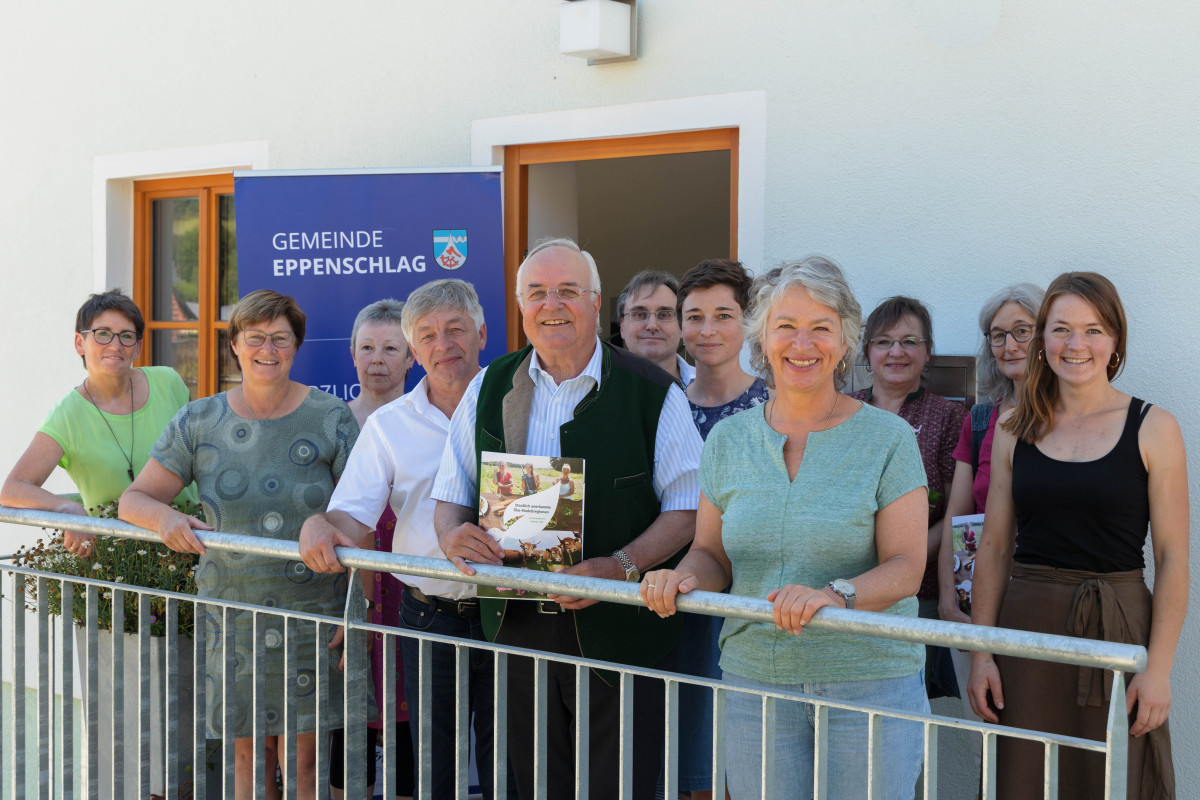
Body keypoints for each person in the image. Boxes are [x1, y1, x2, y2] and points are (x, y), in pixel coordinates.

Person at [641, 256, 930, 800]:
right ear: (762, 337)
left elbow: (906, 567)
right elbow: (711, 553)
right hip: (756, 684)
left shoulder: (889, 439)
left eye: (821, 327)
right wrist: (680, 578)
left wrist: (833, 596)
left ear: (845, 342)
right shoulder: (727, 440)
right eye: (786, 327)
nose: (804, 343)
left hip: (869, 686)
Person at [432, 237, 703, 799]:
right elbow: (449, 497)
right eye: (536, 292)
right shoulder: (489, 385)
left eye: (567, 291)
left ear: (596, 302)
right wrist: (453, 536)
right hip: (515, 628)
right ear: (520, 305)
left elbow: (688, 509)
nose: (551, 303)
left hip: (622, 634)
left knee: (617, 784)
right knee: (530, 786)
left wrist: (622, 565)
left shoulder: (653, 392)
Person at [119, 289, 359, 800]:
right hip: (231, 614)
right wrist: (165, 517)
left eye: (280, 338)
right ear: (235, 345)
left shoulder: (332, 416)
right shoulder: (199, 420)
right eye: (255, 338)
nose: (267, 349)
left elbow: (359, 518)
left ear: (296, 346)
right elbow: (133, 500)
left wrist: (353, 612)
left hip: (312, 616)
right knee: (246, 756)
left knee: (306, 759)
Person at [967, 272, 1188, 799]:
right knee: (1022, 778)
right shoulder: (1012, 427)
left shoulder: (1155, 427)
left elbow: (1174, 557)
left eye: (1093, 330)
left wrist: (1158, 670)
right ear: (1043, 339)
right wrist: (981, 654)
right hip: (1025, 634)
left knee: (1110, 778)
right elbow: (994, 549)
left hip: (1117, 632)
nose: (1076, 345)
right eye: (1062, 329)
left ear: (1115, 342)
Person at [299, 279, 510, 800]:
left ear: (483, 334)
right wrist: (318, 525)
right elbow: (349, 518)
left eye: (457, 329)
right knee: (432, 772)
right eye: (429, 335)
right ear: (415, 351)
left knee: (512, 767)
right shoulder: (389, 426)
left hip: (510, 611)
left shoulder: (519, 405)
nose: (445, 345)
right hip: (428, 615)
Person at [670, 258, 769, 799]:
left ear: (748, 322)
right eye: (695, 316)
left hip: (749, 597)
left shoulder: (771, 405)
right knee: (689, 752)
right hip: (677, 592)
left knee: (744, 751)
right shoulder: (666, 406)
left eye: (723, 315)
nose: (706, 330)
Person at [1, 289, 196, 553]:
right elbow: (12, 488)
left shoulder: (168, 383)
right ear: (80, 343)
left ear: (137, 347)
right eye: (102, 334)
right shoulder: (67, 416)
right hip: (118, 567)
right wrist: (67, 508)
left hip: (190, 544)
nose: (115, 345)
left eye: (126, 336)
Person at [936, 284, 1044, 746]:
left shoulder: (1075, 420)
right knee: (994, 740)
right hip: (978, 601)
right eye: (997, 335)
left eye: (1022, 331)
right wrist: (947, 599)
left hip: (1043, 598)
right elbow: (956, 520)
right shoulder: (980, 421)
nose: (1009, 346)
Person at [848, 296, 966, 698]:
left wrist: (903, 561)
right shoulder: (844, 412)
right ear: (867, 352)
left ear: (927, 352)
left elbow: (955, 511)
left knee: (903, 708)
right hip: (846, 587)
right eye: (883, 341)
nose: (896, 352)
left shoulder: (951, 418)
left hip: (921, 593)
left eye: (909, 341)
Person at [328, 299, 416, 800]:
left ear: (410, 358)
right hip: (344, 607)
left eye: (390, 348)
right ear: (352, 356)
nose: (378, 358)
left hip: (412, 606)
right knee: (348, 734)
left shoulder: (432, 422)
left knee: (409, 739)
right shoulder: (331, 424)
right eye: (367, 348)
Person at [617, 269, 695, 385]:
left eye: (664, 315)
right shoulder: (597, 390)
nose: (652, 326)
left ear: (682, 326)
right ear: (622, 326)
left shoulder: (710, 386)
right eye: (640, 315)